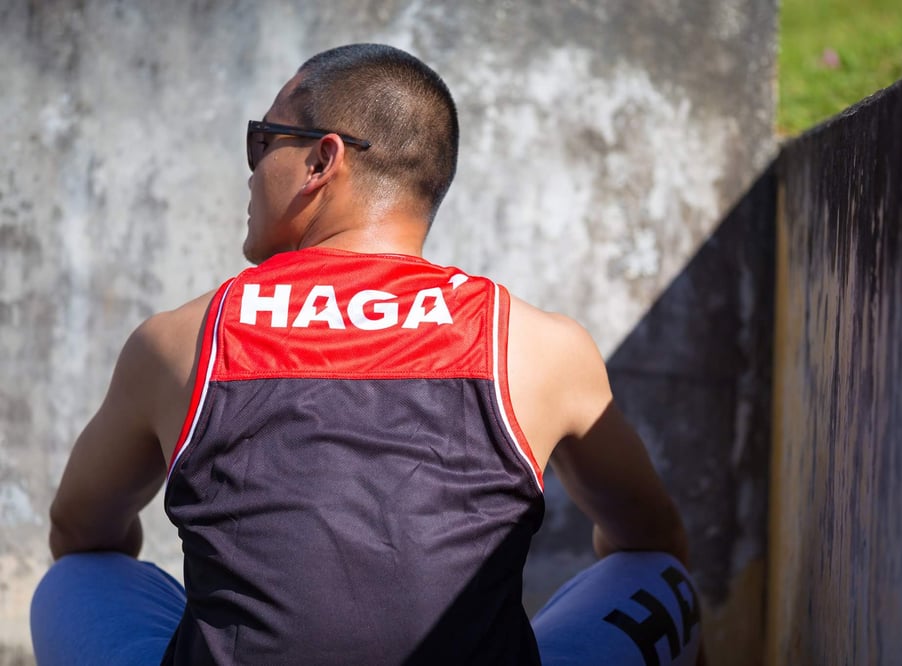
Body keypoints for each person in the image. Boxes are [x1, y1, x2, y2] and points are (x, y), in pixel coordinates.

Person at [31, 43, 701, 665]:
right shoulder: (535, 342)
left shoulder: (184, 338)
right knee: (656, 573)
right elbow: (648, 530)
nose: (252, 170)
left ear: (322, 161)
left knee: (78, 576)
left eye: (262, 142)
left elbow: (80, 527)